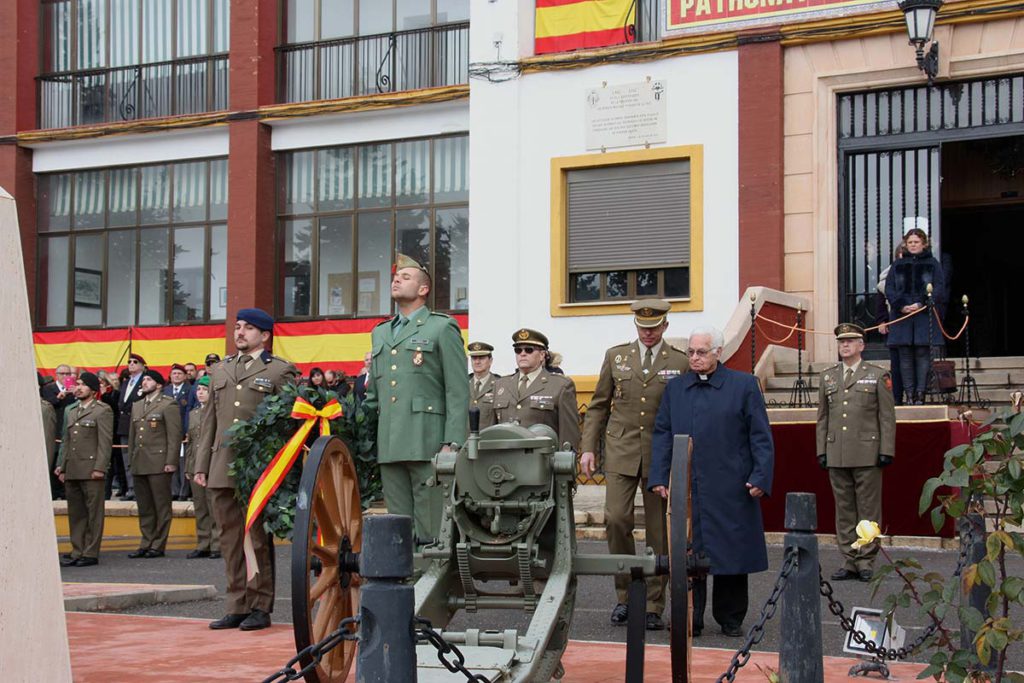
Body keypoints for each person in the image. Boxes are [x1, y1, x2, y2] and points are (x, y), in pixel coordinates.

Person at [649, 326, 774, 638]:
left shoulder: (744, 385)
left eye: (701, 352)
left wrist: (760, 475)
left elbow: (760, 435)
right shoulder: (676, 388)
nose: (694, 358)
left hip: (731, 484)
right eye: (691, 352)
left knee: (732, 554)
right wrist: (659, 476)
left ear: (719, 352)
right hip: (687, 485)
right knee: (689, 553)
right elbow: (662, 433)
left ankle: (730, 618)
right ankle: (691, 618)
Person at [580, 299, 689, 631]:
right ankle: (625, 595)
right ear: (636, 327)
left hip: (659, 453)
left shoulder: (680, 362)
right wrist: (588, 448)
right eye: (643, 328)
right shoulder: (616, 356)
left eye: (655, 328)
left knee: (658, 529)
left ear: (666, 327)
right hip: (621, 448)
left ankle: (654, 603)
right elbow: (598, 406)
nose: (649, 334)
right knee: (616, 519)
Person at [195, 308, 298, 631]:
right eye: (238, 327)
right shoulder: (222, 370)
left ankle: (259, 605)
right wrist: (201, 465)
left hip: (259, 468)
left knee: (255, 539)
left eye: (248, 328)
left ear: (264, 335)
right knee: (228, 538)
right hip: (221, 465)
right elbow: (209, 421)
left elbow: (290, 422)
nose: (239, 332)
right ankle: (235, 604)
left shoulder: (280, 371)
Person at [363, 254, 469, 546]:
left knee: (432, 527)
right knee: (399, 527)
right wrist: (361, 433)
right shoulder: (381, 332)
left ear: (424, 289)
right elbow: (375, 395)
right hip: (390, 442)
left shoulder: (441, 327)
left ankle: (435, 587)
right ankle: (404, 588)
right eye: (396, 277)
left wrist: (453, 441)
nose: (396, 280)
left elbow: (457, 390)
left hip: (428, 441)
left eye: (405, 277)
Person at [816, 323, 896, 582]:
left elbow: (887, 416)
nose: (845, 346)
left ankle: (866, 559)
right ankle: (849, 558)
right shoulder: (828, 376)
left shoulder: (877, 374)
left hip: (867, 451)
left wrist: (886, 449)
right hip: (837, 450)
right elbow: (823, 417)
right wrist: (822, 449)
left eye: (850, 341)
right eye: (841, 342)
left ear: (862, 345)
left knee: (868, 509)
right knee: (844, 508)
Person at [484, 329, 580, 450]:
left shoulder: (560, 386)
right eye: (518, 350)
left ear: (542, 355)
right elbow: (491, 430)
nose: (522, 354)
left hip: (541, 461)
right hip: (505, 461)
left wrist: (564, 464)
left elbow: (569, 434)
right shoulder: (501, 384)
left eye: (529, 350)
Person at [55, 372, 113, 567]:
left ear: (93, 390)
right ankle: (77, 550)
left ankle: (91, 552)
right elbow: (67, 440)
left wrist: (100, 468)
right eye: (77, 384)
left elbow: (105, 443)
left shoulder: (102, 410)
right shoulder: (72, 411)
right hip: (73, 468)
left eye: (83, 385)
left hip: (91, 469)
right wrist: (62, 466)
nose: (78, 388)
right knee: (76, 513)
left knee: (93, 513)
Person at [884, 228, 945, 404]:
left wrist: (921, 304)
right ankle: (909, 394)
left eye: (916, 242)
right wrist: (901, 305)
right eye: (910, 242)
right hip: (901, 316)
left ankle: (920, 394)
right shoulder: (897, 265)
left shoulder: (933, 263)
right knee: (904, 356)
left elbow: (939, 288)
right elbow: (890, 289)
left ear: (923, 243)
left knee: (922, 354)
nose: (912, 245)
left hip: (923, 315)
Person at [128, 370, 182, 559]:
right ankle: (146, 541)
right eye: (143, 380)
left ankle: (158, 544)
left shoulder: (168, 404)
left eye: (149, 379)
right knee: (145, 506)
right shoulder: (137, 405)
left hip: (159, 461)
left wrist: (171, 461)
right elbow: (132, 436)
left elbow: (174, 436)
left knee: (161, 505)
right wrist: (131, 460)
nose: (144, 382)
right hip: (140, 461)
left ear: (159, 385)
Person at [185, 376, 220, 560]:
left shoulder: (217, 412)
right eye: (198, 390)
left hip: (211, 465)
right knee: (200, 507)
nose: (200, 393)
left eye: (204, 390)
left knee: (213, 506)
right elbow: (190, 443)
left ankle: (216, 544)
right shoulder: (193, 413)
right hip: (194, 465)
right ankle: (203, 543)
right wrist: (188, 467)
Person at [875, 243, 906, 406]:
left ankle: (916, 395)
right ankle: (897, 397)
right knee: (896, 363)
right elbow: (880, 301)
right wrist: (882, 320)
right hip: (894, 323)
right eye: (900, 253)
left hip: (913, 324)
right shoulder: (886, 277)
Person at [115, 353, 149, 500]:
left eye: (135, 362)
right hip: (124, 425)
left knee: (139, 458)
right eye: (129, 362)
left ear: (142, 365)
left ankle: (139, 490)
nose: (131, 364)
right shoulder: (126, 382)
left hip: (138, 424)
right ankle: (131, 488)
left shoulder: (145, 381)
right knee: (127, 458)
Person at [164, 363, 197, 501]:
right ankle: (174, 490)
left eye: (179, 373)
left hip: (183, 431)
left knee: (184, 463)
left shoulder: (189, 390)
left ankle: (184, 492)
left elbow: (190, 411)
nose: (176, 376)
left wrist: (187, 429)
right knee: (172, 461)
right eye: (174, 374)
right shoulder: (166, 391)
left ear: (185, 376)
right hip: (168, 432)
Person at [467, 342, 500, 426]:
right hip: (464, 438)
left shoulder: (499, 384)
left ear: (490, 361)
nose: (477, 362)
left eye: (481, 358)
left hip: (488, 437)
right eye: (474, 358)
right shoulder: (463, 384)